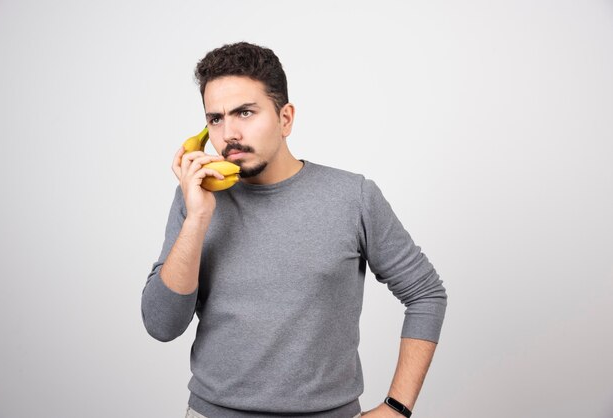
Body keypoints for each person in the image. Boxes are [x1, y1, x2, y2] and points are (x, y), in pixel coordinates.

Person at [141, 42, 447, 418]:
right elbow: (162, 325)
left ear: (285, 119)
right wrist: (197, 218)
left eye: (245, 112)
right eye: (216, 119)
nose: (229, 133)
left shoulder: (353, 196)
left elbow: (425, 293)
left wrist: (397, 407)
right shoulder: (195, 199)